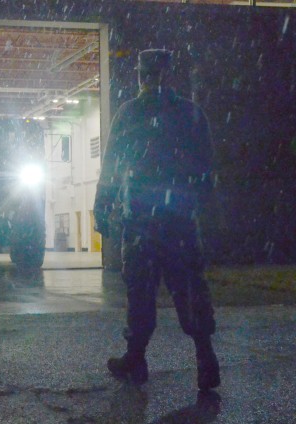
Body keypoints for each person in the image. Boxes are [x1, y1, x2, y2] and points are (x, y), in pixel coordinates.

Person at [93, 49, 220, 390]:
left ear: (140, 75)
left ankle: (136, 358)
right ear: (169, 73)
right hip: (178, 219)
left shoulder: (130, 113)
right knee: (190, 287)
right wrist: (197, 207)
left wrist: (101, 207)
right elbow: (207, 169)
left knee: (140, 290)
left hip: (141, 221)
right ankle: (205, 357)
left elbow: (111, 168)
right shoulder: (191, 114)